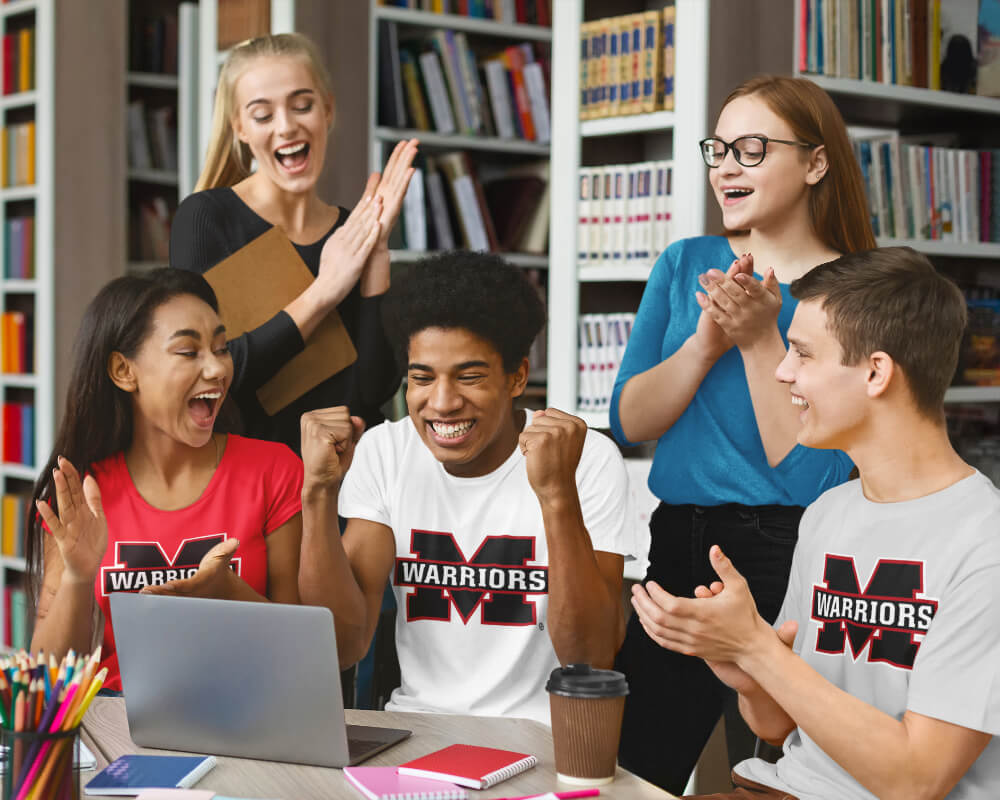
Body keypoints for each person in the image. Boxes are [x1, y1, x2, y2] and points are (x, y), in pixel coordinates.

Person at [632, 246, 1000, 800]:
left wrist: (758, 650)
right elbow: (776, 727)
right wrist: (744, 667)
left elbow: (917, 779)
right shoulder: (829, 512)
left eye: (802, 354)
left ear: (877, 372)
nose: (782, 372)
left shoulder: (984, 544)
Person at [610, 74, 876, 792]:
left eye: (751, 148)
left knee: (780, 775)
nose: (725, 165)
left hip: (794, 550)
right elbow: (629, 421)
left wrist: (762, 338)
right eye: (718, 148)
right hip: (679, 541)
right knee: (638, 769)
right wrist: (704, 345)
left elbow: (807, 469)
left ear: (815, 162)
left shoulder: (858, 291)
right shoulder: (684, 263)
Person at [290, 251, 632, 724]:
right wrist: (317, 494)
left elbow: (590, 659)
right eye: (422, 378)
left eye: (469, 377)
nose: (443, 403)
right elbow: (345, 646)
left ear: (517, 377)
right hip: (416, 731)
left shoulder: (586, 459)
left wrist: (556, 496)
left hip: (542, 740)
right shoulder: (385, 451)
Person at [26, 269, 358, 691]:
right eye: (188, 351)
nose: (217, 368)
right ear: (123, 371)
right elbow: (47, 681)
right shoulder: (82, 492)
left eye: (221, 348)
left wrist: (229, 593)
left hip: (250, 717)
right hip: (120, 726)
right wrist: (77, 574)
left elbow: (302, 655)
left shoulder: (273, 471)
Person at [170, 32, 417, 453]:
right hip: (253, 483)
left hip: (345, 486)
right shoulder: (207, 218)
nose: (286, 126)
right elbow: (205, 375)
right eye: (262, 115)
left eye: (302, 106)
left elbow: (369, 395)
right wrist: (324, 291)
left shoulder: (350, 231)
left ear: (327, 110)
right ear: (240, 128)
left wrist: (375, 255)